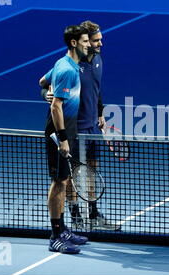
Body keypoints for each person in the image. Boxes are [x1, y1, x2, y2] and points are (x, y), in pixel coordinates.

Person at [40, 20, 121, 231]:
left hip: (93, 126)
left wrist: (101, 112)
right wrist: (46, 94)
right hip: (75, 127)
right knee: (72, 173)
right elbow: (45, 84)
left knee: (92, 169)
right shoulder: (72, 66)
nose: (99, 44)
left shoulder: (98, 61)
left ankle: (93, 214)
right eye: (94, 41)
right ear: (81, 42)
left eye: (99, 39)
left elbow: (97, 88)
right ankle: (75, 215)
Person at [45, 25, 90, 254]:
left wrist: (46, 93)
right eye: (85, 41)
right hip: (58, 134)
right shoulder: (68, 70)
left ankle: (62, 229)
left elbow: (42, 82)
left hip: (67, 133)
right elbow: (56, 106)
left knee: (63, 181)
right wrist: (62, 139)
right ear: (74, 43)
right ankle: (55, 236)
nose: (89, 44)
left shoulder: (66, 65)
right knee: (59, 182)